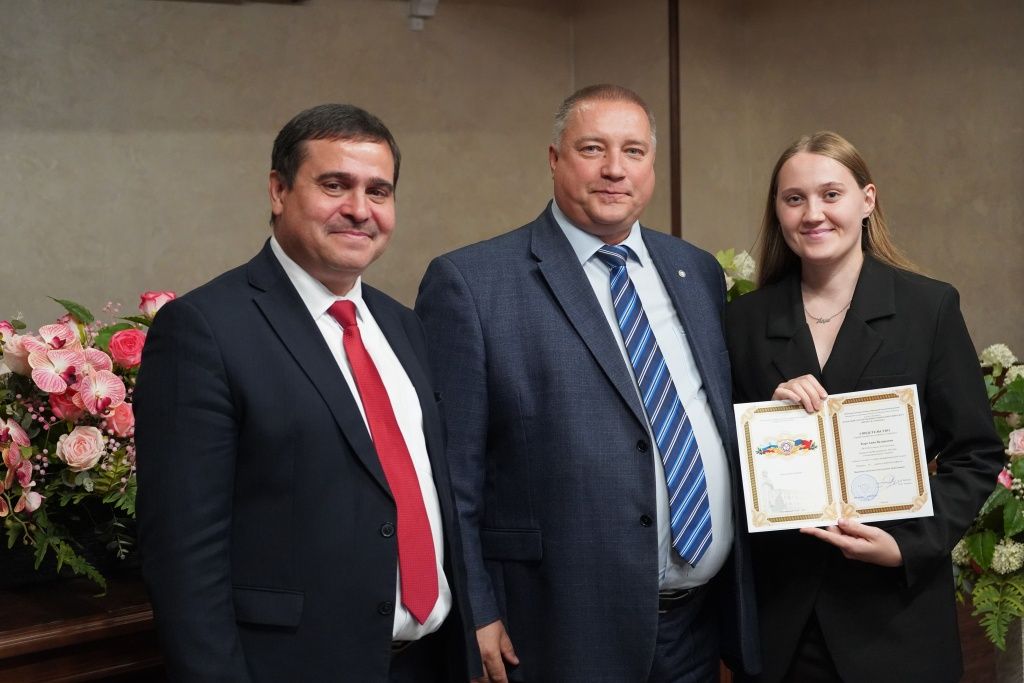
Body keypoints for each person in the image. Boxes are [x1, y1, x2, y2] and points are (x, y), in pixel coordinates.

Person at [415, 84, 760, 683]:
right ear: (554, 159)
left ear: (652, 165)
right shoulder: (472, 283)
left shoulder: (696, 270)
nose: (614, 169)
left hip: (696, 628)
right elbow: (452, 476)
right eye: (593, 148)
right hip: (559, 625)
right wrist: (476, 609)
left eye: (633, 151)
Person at [135, 104, 479, 682]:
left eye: (378, 191)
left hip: (428, 662)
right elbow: (183, 556)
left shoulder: (403, 326)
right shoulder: (205, 330)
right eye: (334, 185)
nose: (359, 209)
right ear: (278, 190)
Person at [725, 131, 1004, 682]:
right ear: (777, 210)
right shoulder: (743, 321)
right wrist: (768, 420)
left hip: (895, 620)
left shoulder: (928, 307)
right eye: (795, 198)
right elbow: (720, 461)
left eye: (831, 194)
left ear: (867, 200)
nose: (813, 214)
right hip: (783, 623)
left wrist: (906, 546)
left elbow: (976, 454)